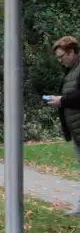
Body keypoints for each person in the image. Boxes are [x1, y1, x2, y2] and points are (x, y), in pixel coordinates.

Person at [46, 35, 80, 215]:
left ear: (72, 51)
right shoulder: (70, 71)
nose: (60, 61)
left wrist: (62, 101)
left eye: (62, 57)